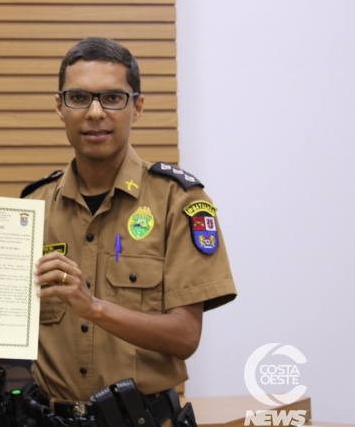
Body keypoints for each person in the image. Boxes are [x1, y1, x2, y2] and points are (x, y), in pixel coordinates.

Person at [20, 37, 237, 426]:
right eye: (78, 97)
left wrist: (94, 308)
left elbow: (186, 336)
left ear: (137, 107)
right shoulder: (33, 207)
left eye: (113, 98)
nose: (95, 112)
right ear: (59, 106)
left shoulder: (180, 201)